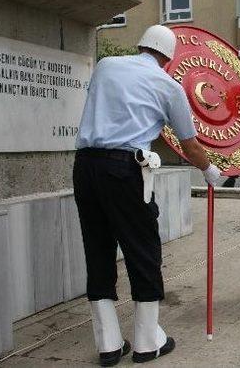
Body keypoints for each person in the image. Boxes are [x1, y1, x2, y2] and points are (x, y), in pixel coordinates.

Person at [73, 24, 221, 366]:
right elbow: (190, 144)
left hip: (85, 166)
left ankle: (109, 345)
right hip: (126, 170)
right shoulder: (168, 86)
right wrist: (210, 172)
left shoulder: (107, 66)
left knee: (98, 249)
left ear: (140, 45)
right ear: (168, 58)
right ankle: (146, 341)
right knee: (143, 250)